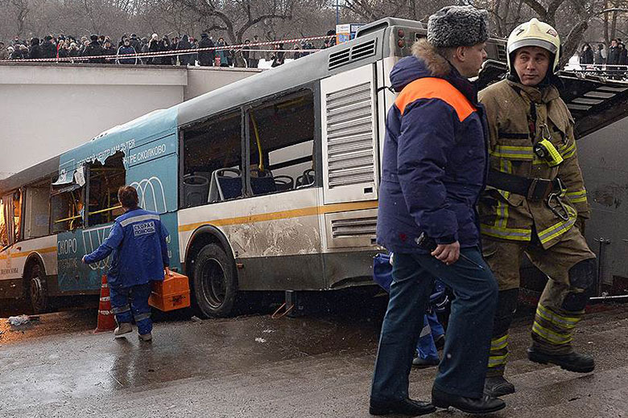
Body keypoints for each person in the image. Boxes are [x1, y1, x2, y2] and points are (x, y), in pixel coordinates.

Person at [370, 5, 505, 416]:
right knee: (480, 290)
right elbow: (419, 169)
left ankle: (388, 395)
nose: (485, 57)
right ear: (460, 52)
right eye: (480, 49)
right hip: (427, 224)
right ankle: (456, 386)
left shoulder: (426, 87)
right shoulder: (438, 94)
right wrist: (444, 232)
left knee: (407, 303)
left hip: (409, 222)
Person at [479, 18, 597, 398]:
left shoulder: (558, 105)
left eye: (540, 59)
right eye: (524, 57)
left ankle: (550, 344)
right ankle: (487, 371)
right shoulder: (491, 99)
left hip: (547, 212)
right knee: (500, 298)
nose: (530, 66)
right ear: (513, 60)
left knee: (581, 271)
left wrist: (580, 214)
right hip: (498, 212)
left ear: (552, 62)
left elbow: (570, 166)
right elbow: (471, 162)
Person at [82, 186, 170, 341]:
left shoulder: (122, 222)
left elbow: (108, 246)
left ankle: (124, 323)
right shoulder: (155, 217)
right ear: (137, 199)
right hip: (149, 269)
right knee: (141, 298)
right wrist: (165, 264)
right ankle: (145, 332)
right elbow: (163, 242)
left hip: (128, 270)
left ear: (121, 202)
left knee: (116, 288)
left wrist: (89, 258)